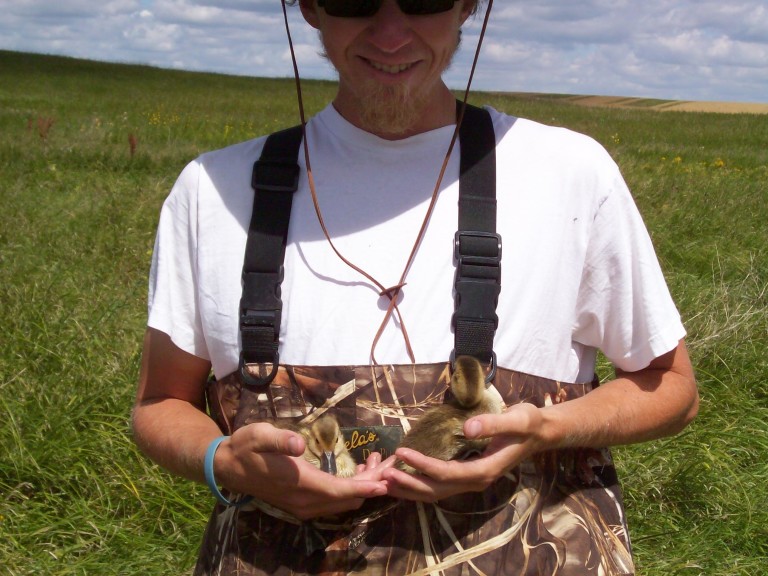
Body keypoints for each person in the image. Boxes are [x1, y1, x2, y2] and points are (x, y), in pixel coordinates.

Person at [132, 1, 699, 574]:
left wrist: (546, 429)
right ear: (307, 7)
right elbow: (160, 403)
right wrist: (220, 460)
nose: (391, 32)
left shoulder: (570, 173)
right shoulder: (212, 190)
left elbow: (670, 385)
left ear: (469, 6)